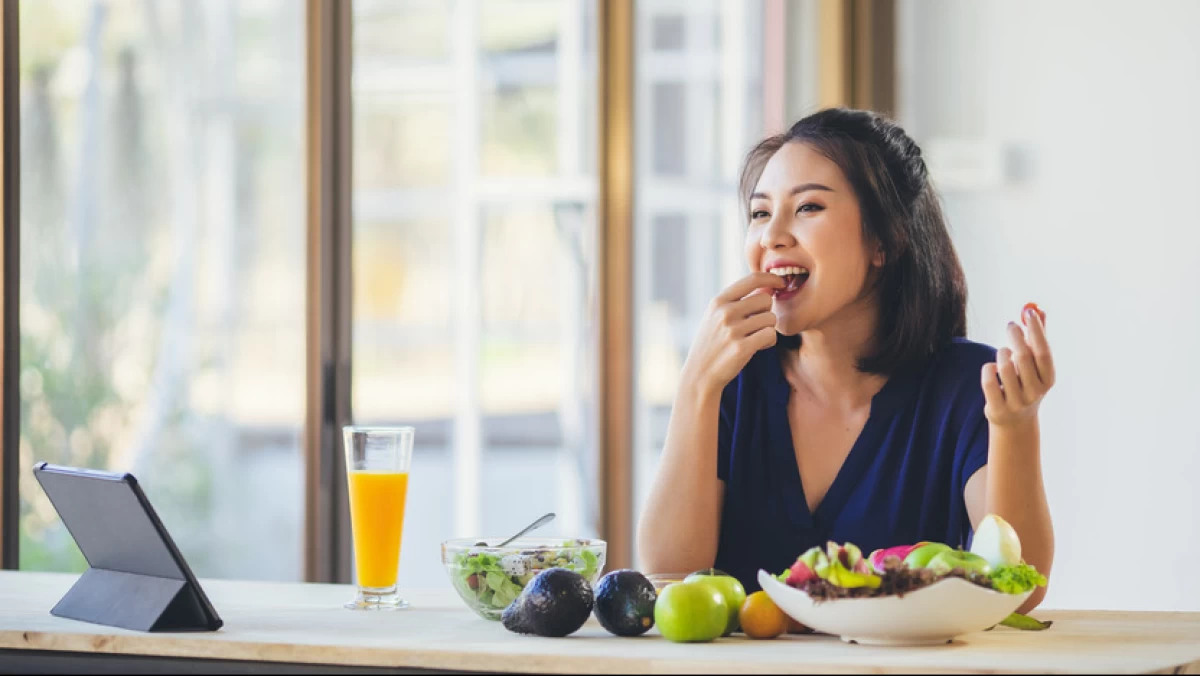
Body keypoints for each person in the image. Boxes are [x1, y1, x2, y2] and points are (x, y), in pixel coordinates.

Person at [636, 108, 1054, 613]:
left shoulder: (966, 386)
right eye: (761, 213)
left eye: (808, 207)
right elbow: (668, 578)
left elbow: (1019, 592)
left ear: (884, 239)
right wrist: (696, 387)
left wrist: (1015, 425)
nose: (771, 236)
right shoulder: (733, 382)